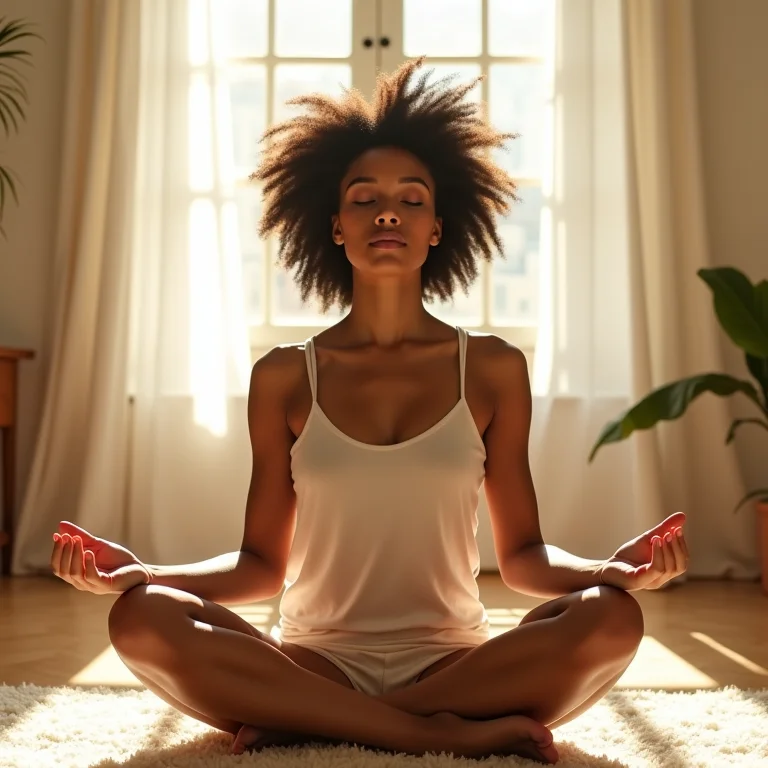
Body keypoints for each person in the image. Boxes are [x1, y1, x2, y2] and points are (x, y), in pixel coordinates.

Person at [50, 56, 690, 764]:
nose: (388, 212)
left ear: (440, 228)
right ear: (333, 225)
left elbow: (523, 560)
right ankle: (423, 731)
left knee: (611, 621)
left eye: (412, 199)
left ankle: (318, 723)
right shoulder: (286, 377)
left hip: (453, 664)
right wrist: (144, 574)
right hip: (312, 659)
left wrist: (610, 571)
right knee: (140, 619)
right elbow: (261, 566)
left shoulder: (495, 370)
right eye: (364, 198)